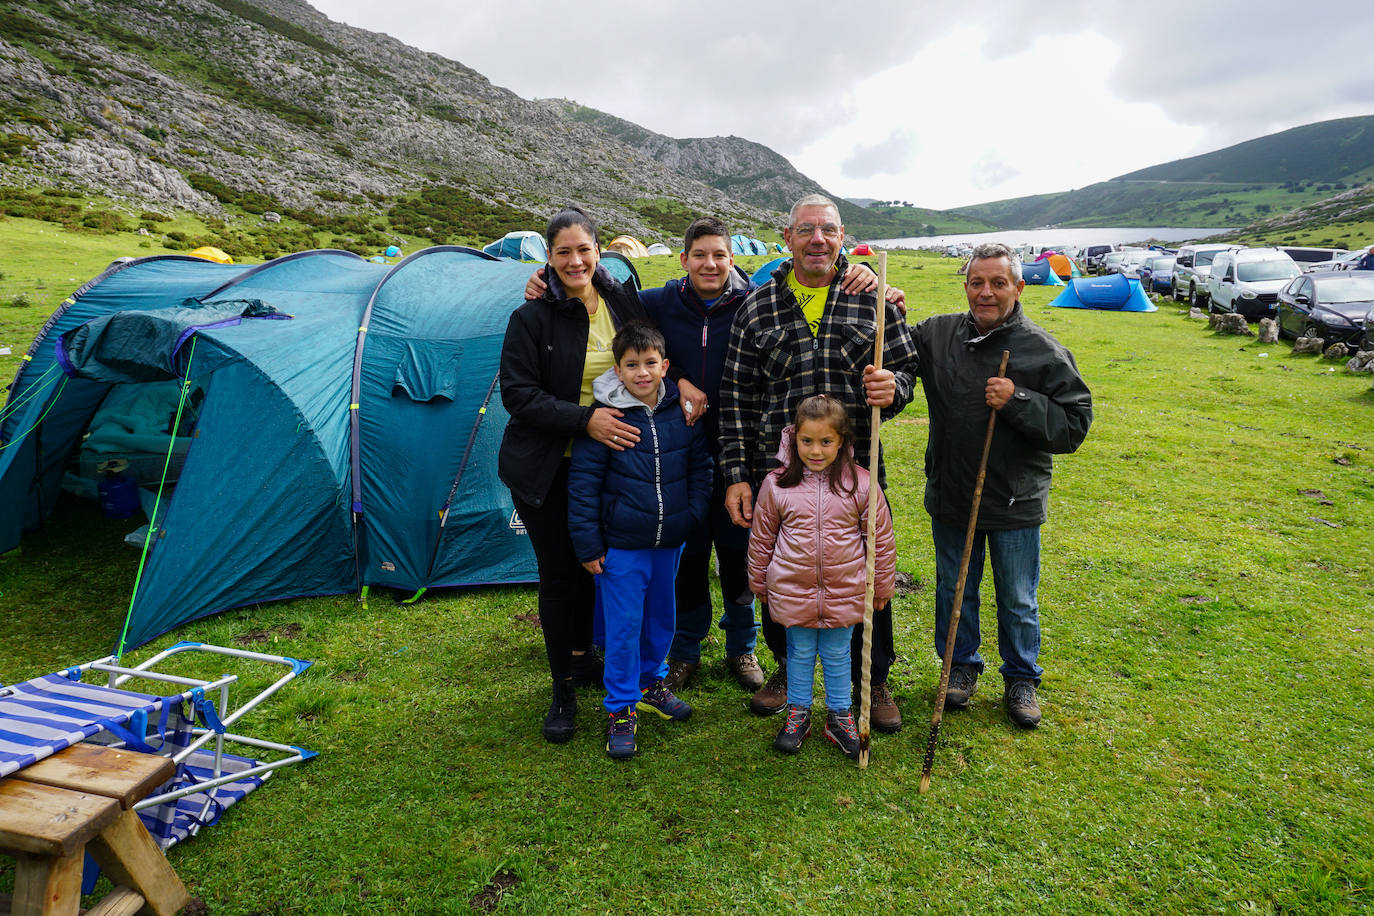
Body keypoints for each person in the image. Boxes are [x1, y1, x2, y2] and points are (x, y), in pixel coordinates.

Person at [525, 217, 902, 698]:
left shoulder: (754, 301)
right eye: (699, 255)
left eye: (719, 255)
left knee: (743, 552)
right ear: (683, 260)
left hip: (743, 448)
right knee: (687, 555)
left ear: (733, 260)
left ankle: (743, 646)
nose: (709, 264)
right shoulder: (654, 302)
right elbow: (623, 321)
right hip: (674, 452)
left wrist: (879, 285)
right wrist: (544, 279)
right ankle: (685, 649)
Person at [719, 194, 917, 733]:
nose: (817, 239)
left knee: (868, 567)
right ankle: (787, 670)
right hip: (779, 473)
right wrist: (737, 474)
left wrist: (892, 388)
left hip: (857, 472)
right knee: (785, 569)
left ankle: (871, 677)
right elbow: (736, 397)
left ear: (842, 235)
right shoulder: (757, 307)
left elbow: (904, 375)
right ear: (787, 238)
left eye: (827, 230)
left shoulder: (874, 302)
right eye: (805, 229)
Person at [913, 241, 1093, 728]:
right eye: (977, 282)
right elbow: (895, 347)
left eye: (997, 283)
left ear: (1019, 286)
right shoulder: (938, 335)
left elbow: (1074, 426)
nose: (986, 292)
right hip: (953, 493)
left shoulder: (1043, 350)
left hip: (1015, 500)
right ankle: (960, 669)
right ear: (966, 286)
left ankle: (1021, 679)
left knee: (1017, 597)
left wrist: (1019, 399)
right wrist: (882, 292)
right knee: (955, 590)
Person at [498, 206, 657, 745]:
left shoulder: (620, 298)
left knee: (599, 563)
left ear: (598, 252)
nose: (574, 260)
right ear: (548, 257)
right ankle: (562, 688)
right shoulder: (531, 318)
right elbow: (518, 396)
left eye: (583, 249)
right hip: (547, 466)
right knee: (561, 573)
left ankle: (584, 657)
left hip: (609, 464)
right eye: (562, 252)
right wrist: (586, 419)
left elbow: (650, 348)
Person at [567, 322, 712, 758]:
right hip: (622, 547)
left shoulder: (681, 412)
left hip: (669, 541)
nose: (642, 372)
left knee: (660, 619)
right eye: (631, 365)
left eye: (650, 363)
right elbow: (584, 485)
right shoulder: (606, 416)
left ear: (665, 365)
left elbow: (701, 467)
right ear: (618, 368)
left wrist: (692, 515)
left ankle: (652, 683)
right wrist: (588, 544)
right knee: (624, 628)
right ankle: (620, 708)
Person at [747, 396, 895, 759]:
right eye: (807, 441)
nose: (816, 450)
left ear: (842, 440)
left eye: (826, 441)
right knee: (798, 652)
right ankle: (798, 713)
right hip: (793, 588)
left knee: (837, 653)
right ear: (793, 439)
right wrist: (758, 581)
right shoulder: (777, 484)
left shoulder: (861, 484)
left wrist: (882, 584)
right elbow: (762, 537)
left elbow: (880, 539)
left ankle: (839, 714)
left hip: (844, 589)